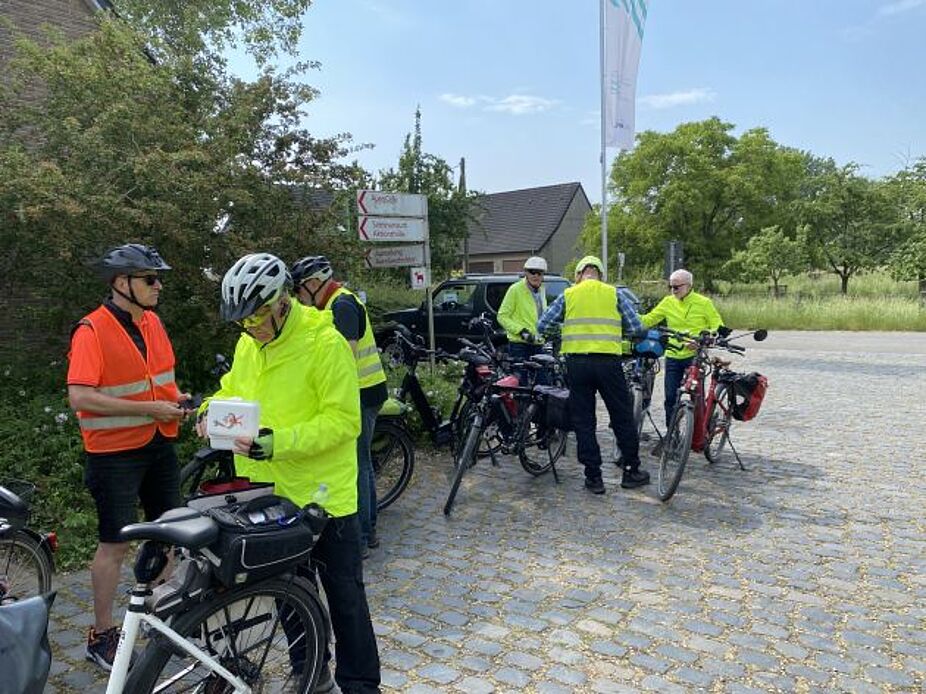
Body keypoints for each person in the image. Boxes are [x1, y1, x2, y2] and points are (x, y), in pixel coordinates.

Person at [201, 252, 380, 694]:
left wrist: (276, 442)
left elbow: (344, 421)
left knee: (345, 598)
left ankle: (360, 684)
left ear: (283, 301)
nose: (252, 327)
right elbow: (233, 391)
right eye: (243, 321)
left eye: (258, 315)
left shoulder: (325, 342)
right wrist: (209, 411)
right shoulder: (250, 343)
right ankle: (310, 667)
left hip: (325, 497)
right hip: (272, 493)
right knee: (289, 595)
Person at [66, 243, 188, 670]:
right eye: (150, 279)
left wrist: (178, 401)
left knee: (169, 534)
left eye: (158, 279)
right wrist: (148, 409)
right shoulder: (91, 330)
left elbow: (160, 382)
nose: (158, 286)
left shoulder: (153, 323)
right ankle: (101, 635)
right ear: (122, 283)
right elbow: (80, 395)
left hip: (158, 442)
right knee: (114, 545)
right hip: (114, 454)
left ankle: (156, 620)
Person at [289, 255, 387, 559]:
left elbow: (344, 357)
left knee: (357, 466)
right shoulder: (336, 302)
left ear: (315, 284)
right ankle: (368, 532)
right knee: (362, 464)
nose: (298, 299)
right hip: (365, 390)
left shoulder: (341, 306)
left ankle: (361, 537)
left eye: (299, 291)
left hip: (361, 394)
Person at [538, 255, 650, 494]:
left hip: (577, 364)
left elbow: (543, 325)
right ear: (600, 274)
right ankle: (631, 471)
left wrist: (564, 331)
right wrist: (622, 334)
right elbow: (637, 328)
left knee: (584, 421)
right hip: (609, 363)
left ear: (578, 275)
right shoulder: (614, 293)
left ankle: (593, 478)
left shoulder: (568, 294)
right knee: (621, 416)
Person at [641, 268, 725, 438]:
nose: (673, 290)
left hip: (695, 357)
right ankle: (672, 434)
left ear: (688, 285)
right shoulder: (667, 302)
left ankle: (698, 434)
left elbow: (717, 325)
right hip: (673, 355)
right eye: (670, 287)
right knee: (670, 398)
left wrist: (705, 338)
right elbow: (648, 319)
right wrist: (624, 317)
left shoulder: (703, 302)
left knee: (697, 398)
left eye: (676, 287)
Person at [497, 256, 548, 384]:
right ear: (526, 273)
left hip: (538, 343)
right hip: (519, 345)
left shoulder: (541, 290)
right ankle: (521, 404)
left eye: (539, 273)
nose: (535, 276)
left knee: (543, 383)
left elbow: (542, 316)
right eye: (532, 272)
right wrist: (521, 331)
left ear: (543, 275)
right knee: (521, 383)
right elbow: (502, 316)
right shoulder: (515, 289)